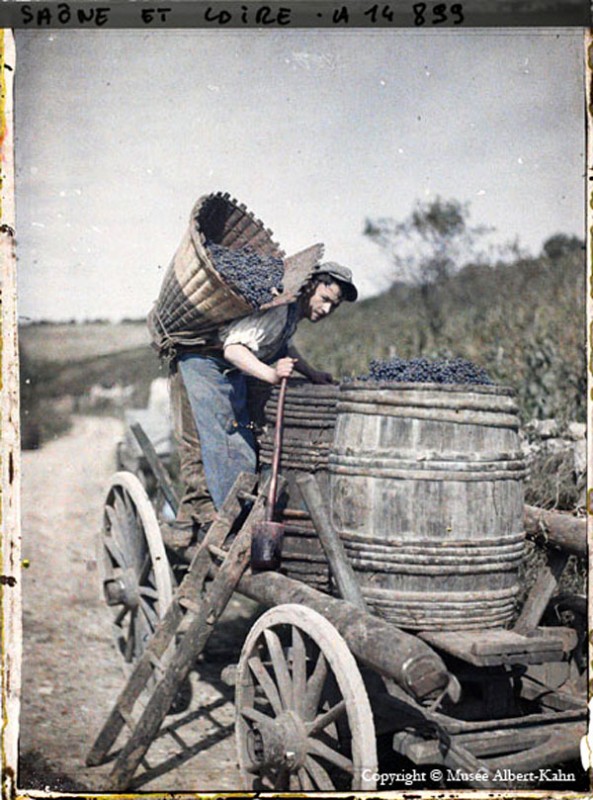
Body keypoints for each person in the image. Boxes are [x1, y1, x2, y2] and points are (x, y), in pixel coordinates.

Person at [164, 262, 358, 551]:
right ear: (309, 286)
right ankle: (204, 523)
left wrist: (312, 373)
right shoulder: (281, 310)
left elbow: (281, 345)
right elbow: (233, 349)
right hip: (201, 361)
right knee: (211, 442)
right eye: (325, 299)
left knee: (240, 450)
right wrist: (270, 374)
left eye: (335, 305)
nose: (327, 309)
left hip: (225, 370)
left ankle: (212, 521)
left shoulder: (290, 315)